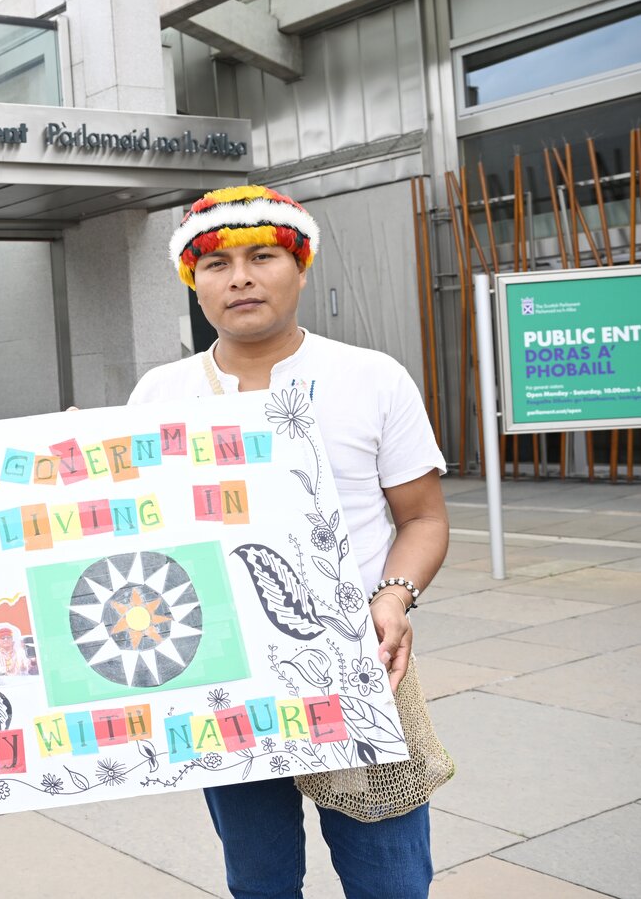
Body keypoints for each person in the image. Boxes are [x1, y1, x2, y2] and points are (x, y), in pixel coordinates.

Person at [128, 185, 449, 899]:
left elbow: (423, 517)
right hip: (221, 675)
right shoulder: (159, 394)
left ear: (300, 267)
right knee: (259, 877)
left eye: (262, 256)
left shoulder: (371, 377)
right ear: (193, 283)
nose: (239, 276)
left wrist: (394, 597)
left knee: (390, 877)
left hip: (361, 666)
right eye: (215, 263)